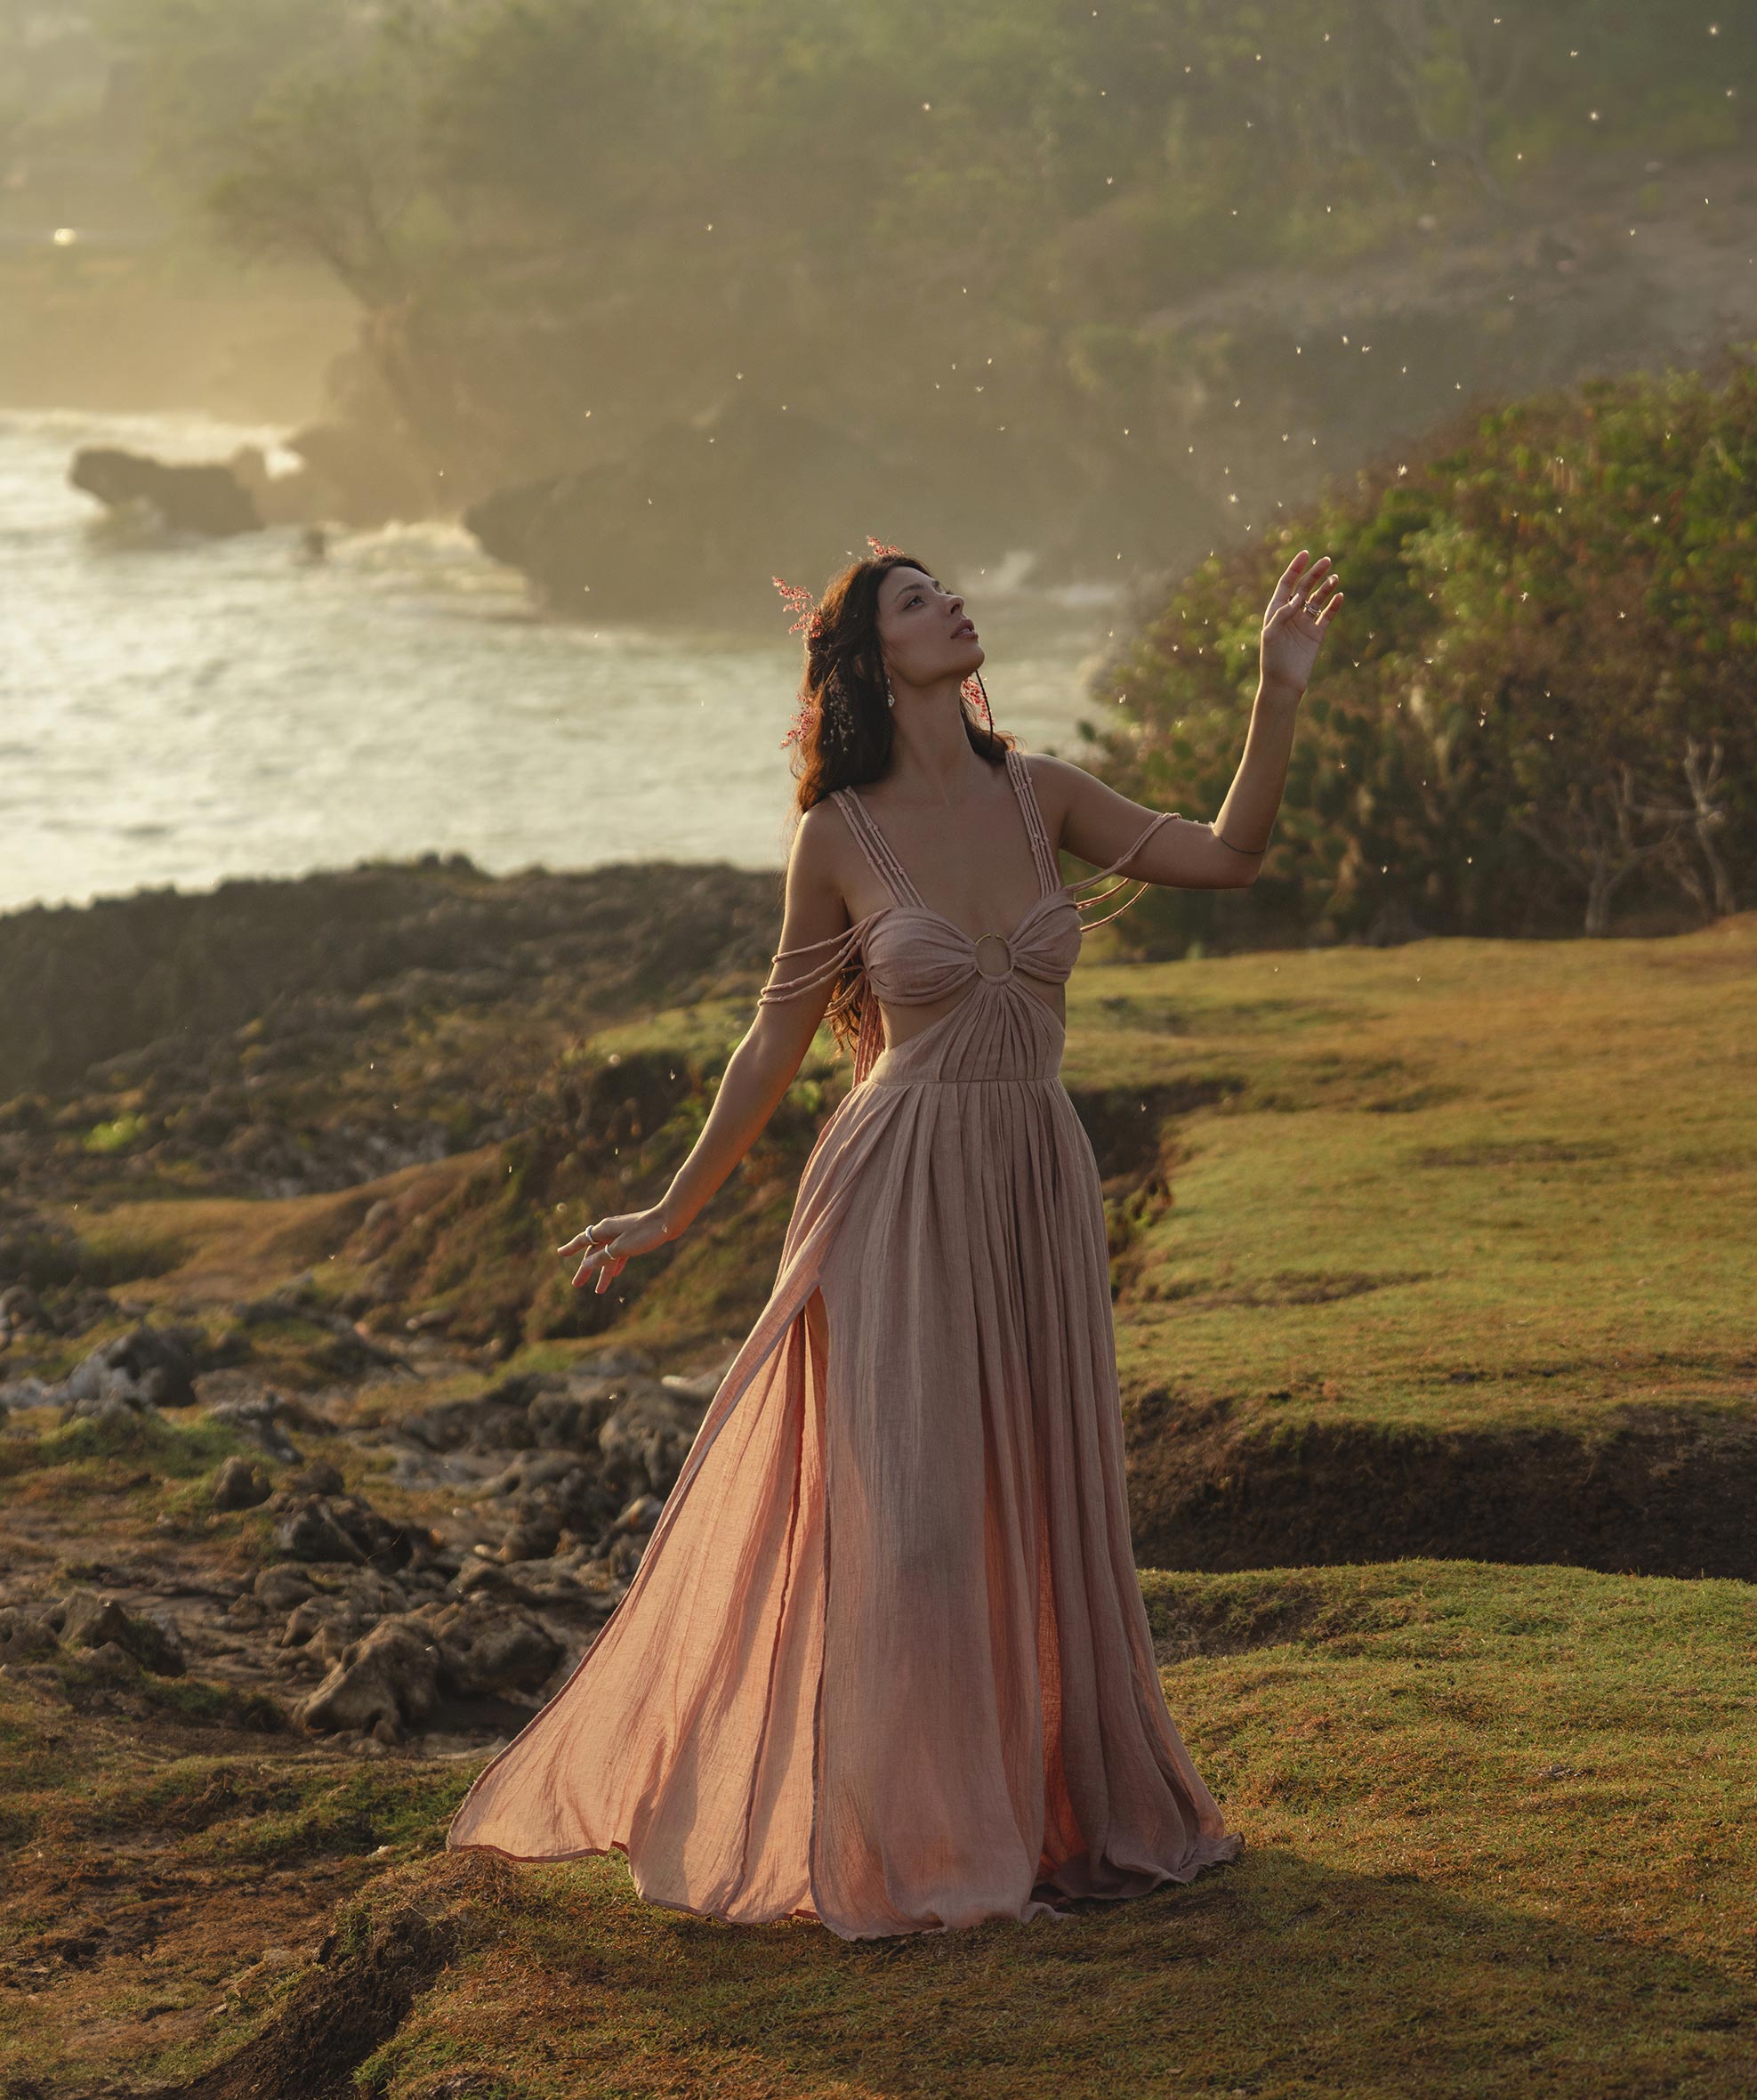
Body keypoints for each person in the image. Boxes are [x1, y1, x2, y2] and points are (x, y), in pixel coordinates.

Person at [446, 541, 1342, 1935]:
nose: (957, 606)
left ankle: (1047, 1821)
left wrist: (1278, 690)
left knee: (1042, 1509)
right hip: (897, 1188)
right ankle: (914, 1842)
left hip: (1036, 1176)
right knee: (915, 1527)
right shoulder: (837, 837)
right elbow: (770, 1041)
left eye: (952, 592)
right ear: (872, 659)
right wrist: (675, 1210)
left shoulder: (1042, 796)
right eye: (922, 601)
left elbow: (1231, 855)